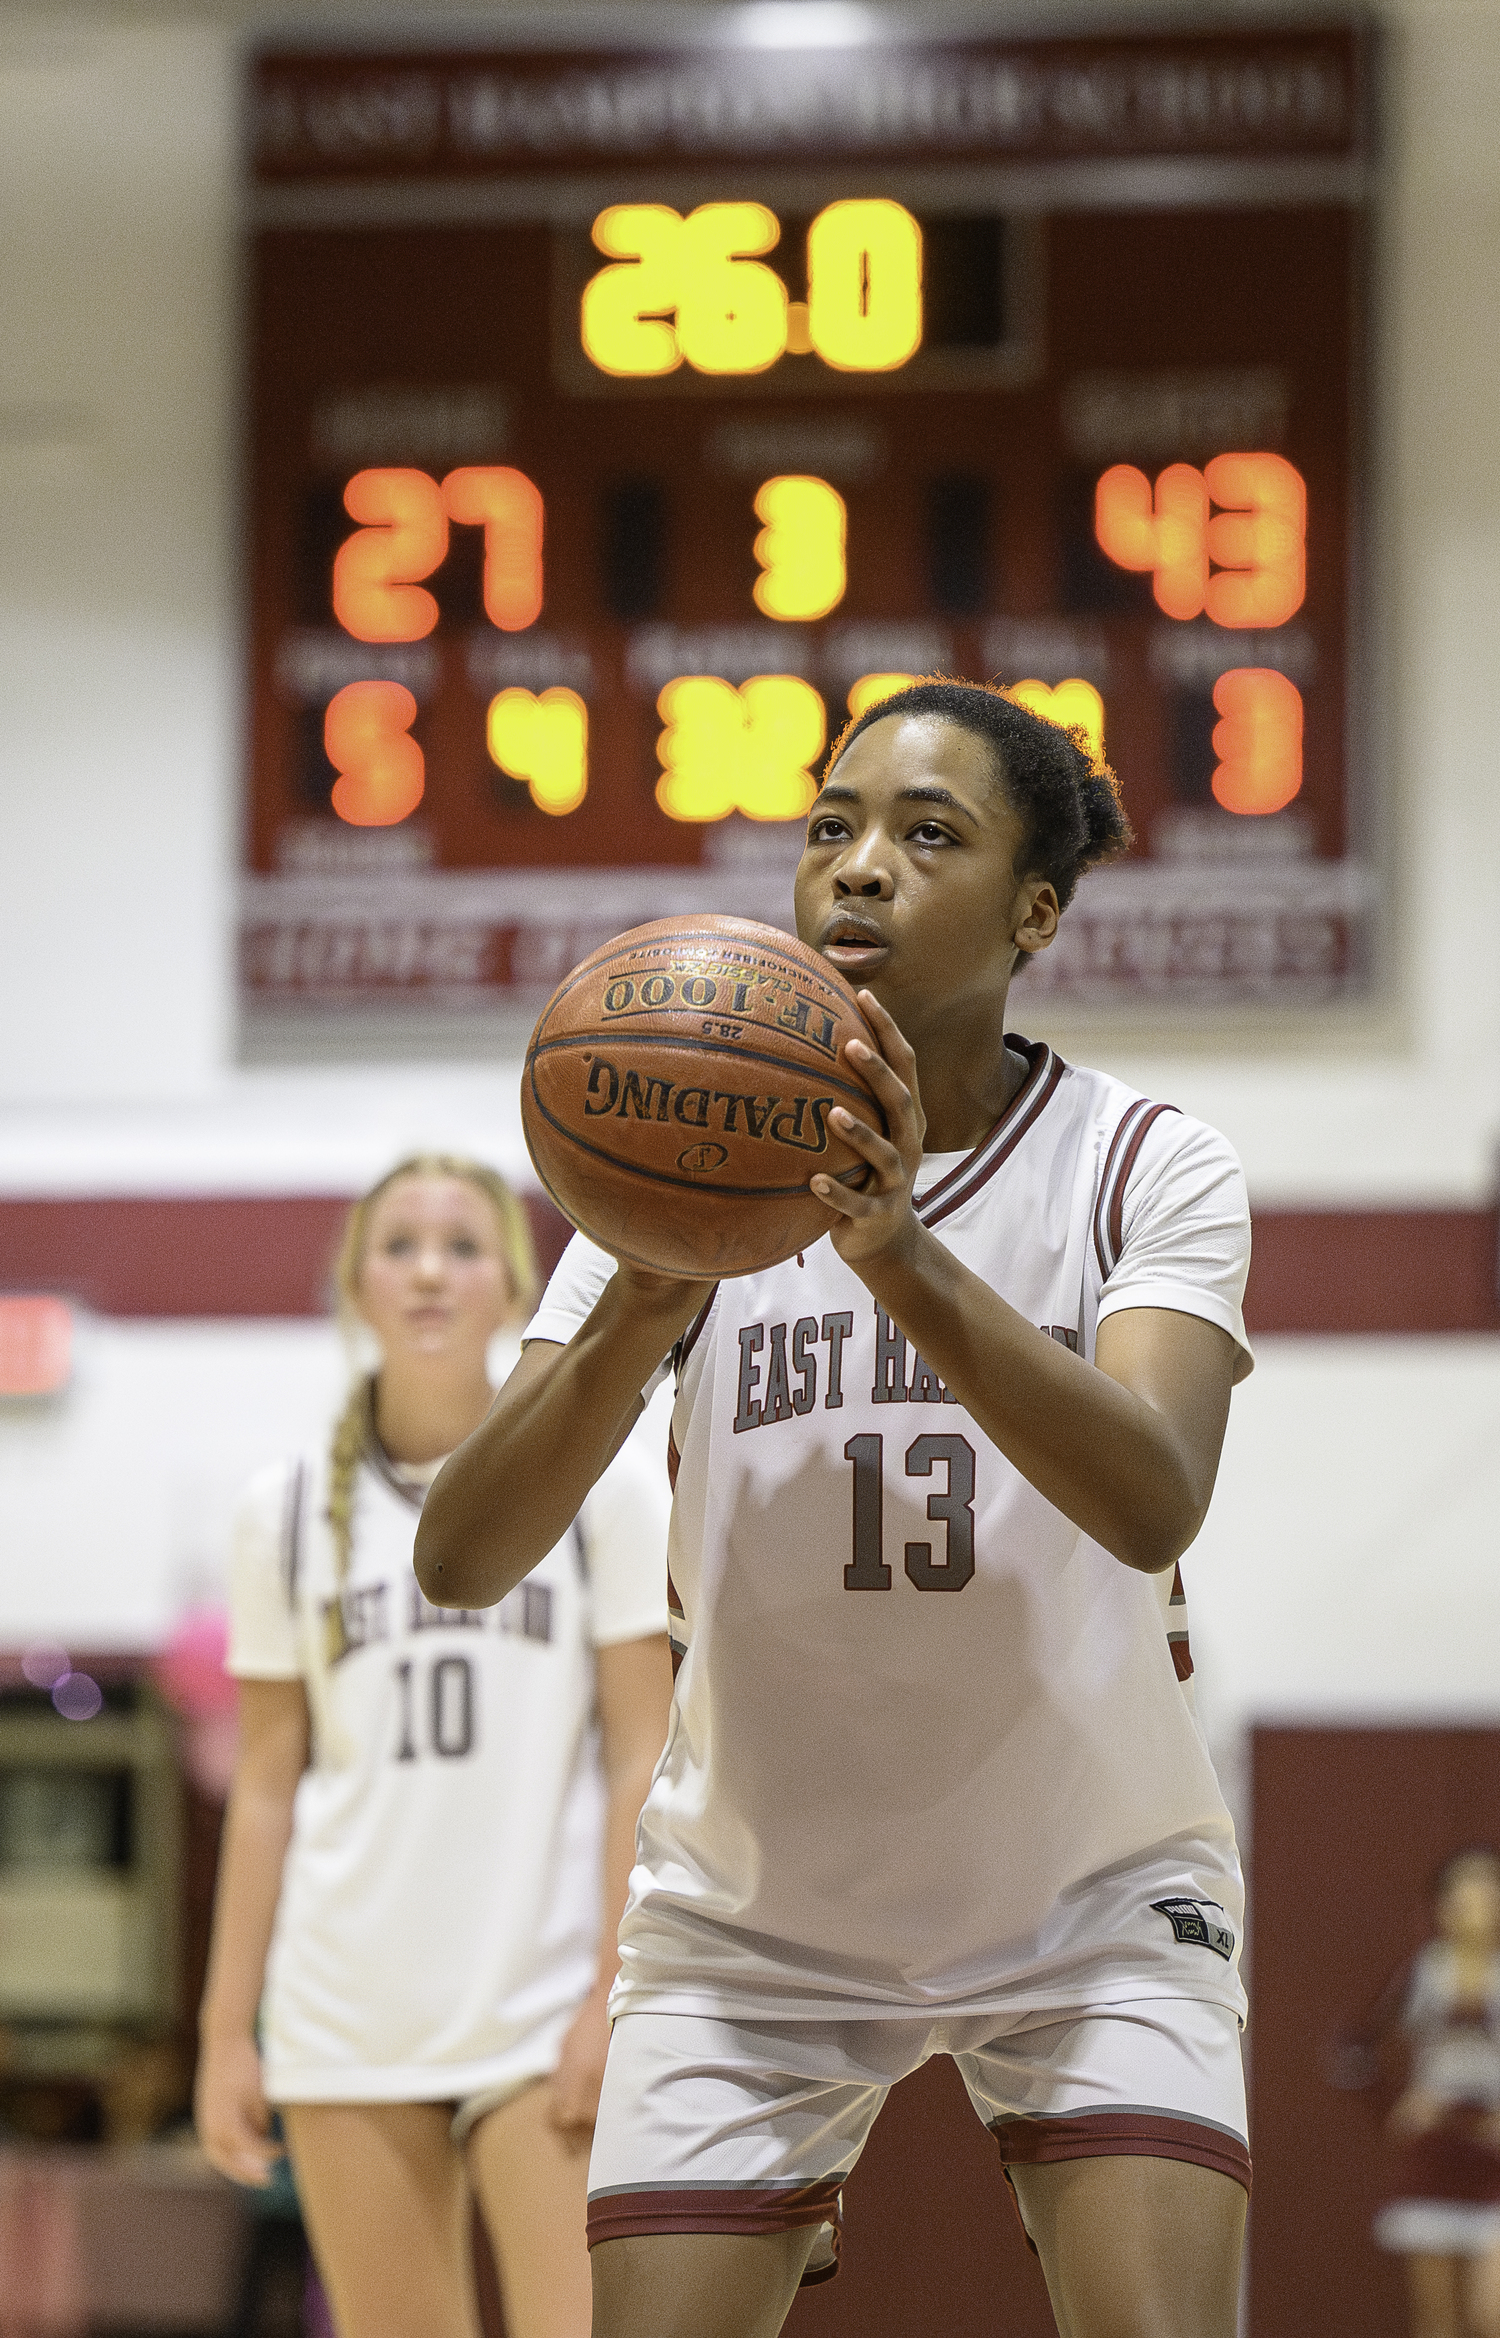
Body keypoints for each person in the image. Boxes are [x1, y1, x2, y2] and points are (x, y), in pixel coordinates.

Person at [415, 682, 1256, 2338]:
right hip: (756, 1916)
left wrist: (904, 1260)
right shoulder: (673, 1166)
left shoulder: (1140, 1162)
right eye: (832, 827)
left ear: (1036, 910)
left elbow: (1156, 1496)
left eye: (925, 833)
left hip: (1086, 1888)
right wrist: (634, 1315)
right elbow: (462, 1550)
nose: (858, 867)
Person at [195, 1154, 674, 2338]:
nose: (428, 1271)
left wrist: (617, 1991)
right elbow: (264, 1790)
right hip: (347, 2007)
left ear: (513, 1290)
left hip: (539, 1995)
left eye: (462, 1245)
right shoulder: (284, 1510)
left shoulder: (599, 1484)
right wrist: (221, 2034)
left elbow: (641, 1752)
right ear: (354, 1284)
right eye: (399, 1243)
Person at [1367, 1850, 1500, 2338]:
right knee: (1436, 2321)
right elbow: (1358, 2049)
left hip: (1493, 2153)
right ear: (1442, 1903)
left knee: (1490, 2316)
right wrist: (1397, 2106)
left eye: (1487, 1886)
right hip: (1435, 2148)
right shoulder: (1421, 1973)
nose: (1475, 1899)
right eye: (1462, 1888)